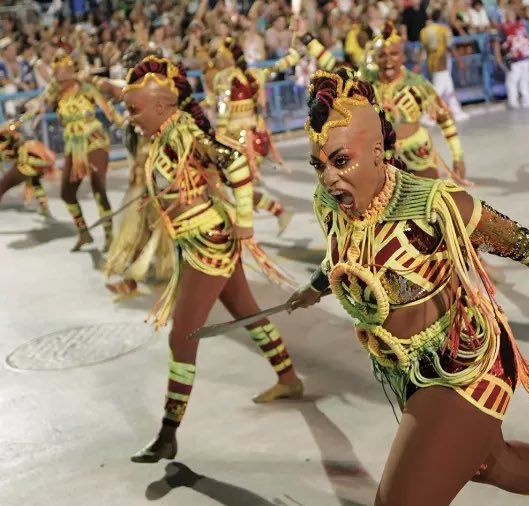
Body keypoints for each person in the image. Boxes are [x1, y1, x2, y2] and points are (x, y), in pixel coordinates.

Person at [288, 67, 529, 506]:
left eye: (340, 161)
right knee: (491, 463)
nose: (328, 178)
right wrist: (315, 286)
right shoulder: (328, 204)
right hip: (409, 370)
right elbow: (341, 255)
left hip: (465, 362)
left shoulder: (435, 206)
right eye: (319, 165)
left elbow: (523, 244)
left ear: (376, 151)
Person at [120, 56, 304, 464]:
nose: (129, 118)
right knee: (247, 311)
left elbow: (236, 162)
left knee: (181, 335)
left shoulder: (181, 133)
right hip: (201, 238)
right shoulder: (167, 131)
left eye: (134, 110)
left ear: (162, 107)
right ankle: (289, 378)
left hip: (209, 243)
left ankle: (168, 433)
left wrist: (244, 223)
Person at [301, 21, 469, 182]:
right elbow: (336, 67)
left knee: (427, 205)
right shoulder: (367, 81)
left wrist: (458, 156)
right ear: (376, 58)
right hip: (383, 159)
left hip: (418, 156)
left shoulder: (417, 84)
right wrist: (308, 40)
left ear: (402, 56)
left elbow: (445, 119)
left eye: (394, 54)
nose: (388, 60)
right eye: (382, 55)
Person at [23, 47, 121, 252]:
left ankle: (111, 236)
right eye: (59, 68)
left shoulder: (85, 83)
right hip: (73, 145)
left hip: (93, 139)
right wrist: (31, 108)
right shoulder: (54, 90)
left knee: (98, 186)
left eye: (67, 67)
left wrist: (121, 121)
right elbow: (39, 102)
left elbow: (106, 103)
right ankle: (83, 232)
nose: (63, 72)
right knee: (67, 193)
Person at [207, 36, 299, 235]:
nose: (215, 60)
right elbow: (274, 68)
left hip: (239, 142)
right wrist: (292, 56)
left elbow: (223, 112)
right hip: (256, 138)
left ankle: (248, 230)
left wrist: (217, 140)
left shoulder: (224, 78)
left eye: (218, 55)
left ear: (227, 56)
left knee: (238, 185)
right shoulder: (255, 74)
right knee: (239, 185)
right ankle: (278, 211)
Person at [420, 9, 470, 120]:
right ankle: (427, 115)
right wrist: (459, 60)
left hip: (432, 63)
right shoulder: (444, 29)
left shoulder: (424, 31)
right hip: (442, 62)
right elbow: (450, 46)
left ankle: (457, 112)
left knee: (448, 89)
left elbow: (423, 49)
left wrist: (419, 63)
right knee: (437, 91)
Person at [0, 119, 55, 217]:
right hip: (32, 165)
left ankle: (44, 206)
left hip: (26, 165)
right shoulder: (14, 136)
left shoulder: (15, 133)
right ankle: (44, 206)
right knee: (35, 182)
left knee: (2, 186)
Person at [495, 8, 529, 109]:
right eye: (508, 14)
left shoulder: (520, 25)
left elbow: (526, 38)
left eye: (512, 13)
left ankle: (526, 99)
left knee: (524, 79)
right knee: (512, 80)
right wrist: (498, 57)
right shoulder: (503, 28)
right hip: (512, 57)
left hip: (524, 55)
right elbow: (497, 43)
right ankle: (513, 101)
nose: (511, 16)